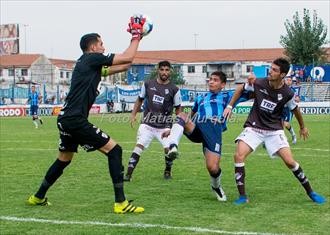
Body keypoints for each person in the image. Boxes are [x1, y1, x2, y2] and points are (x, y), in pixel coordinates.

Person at [27, 15, 148, 213]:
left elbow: (125, 64)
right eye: (101, 43)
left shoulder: (90, 65)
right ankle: (121, 203)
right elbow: (126, 58)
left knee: (63, 159)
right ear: (93, 48)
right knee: (115, 151)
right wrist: (135, 35)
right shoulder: (92, 59)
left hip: (66, 119)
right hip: (74, 120)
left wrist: (138, 38)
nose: (103, 47)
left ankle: (37, 197)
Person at [223, 58, 325, 205]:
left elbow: (295, 110)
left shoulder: (287, 93)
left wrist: (302, 126)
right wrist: (230, 106)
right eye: (271, 68)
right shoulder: (258, 83)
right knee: (238, 156)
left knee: (290, 162)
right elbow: (240, 89)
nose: (270, 71)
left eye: (275, 70)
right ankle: (243, 197)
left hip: (274, 130)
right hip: (254, 127)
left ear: (282, 74)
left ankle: (311, 192)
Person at [162, 71, 250, 201]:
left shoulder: (228, 96)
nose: (211, 82)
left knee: (213, 168)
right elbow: (190, 116)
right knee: (181, 115)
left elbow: (246, 91)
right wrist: (174, 128)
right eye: (210, 79)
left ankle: (216, 187)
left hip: (213, 131)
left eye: (215, 80)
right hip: (198, 128)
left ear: (223, 84)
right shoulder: (201, 97)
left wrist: (251, 81)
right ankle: (173, 146)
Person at [124, 60, 182, 181]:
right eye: (162, 69)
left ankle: (167, 171)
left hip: (165, 126)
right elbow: (139, 99)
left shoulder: (174, 89)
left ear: (170, 71)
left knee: (169, 150)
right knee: (139, 146)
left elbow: (178, 109)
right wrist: (133, 114)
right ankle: (128, 175)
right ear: (158, 70)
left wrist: (177, 125)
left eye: (167, 70)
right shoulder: (147, 84)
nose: (164, 72)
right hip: (148, 124)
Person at [282, 77, 299, 144]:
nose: (289, 81)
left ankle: (293, 135)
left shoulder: (293, 90)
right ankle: (283, 138)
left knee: (286, 124)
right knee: (279, 124)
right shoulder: (281, 88)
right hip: (280, 109)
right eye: (287, 80)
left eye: (290, 80)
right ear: (284, 81)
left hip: (288, 109)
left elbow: (297, 99)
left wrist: (295, 99)